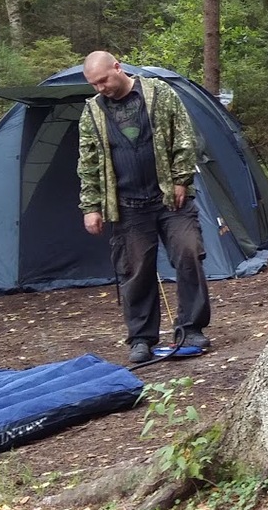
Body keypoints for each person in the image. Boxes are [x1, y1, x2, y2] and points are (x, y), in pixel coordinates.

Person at [77, 52, 210, 364]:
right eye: (94, 84)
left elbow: (185, 137)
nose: (100, 88)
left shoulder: (159, 93)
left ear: (118, 68)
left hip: (170, 199)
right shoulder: (91, 112)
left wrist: (180, 179)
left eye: (103, 80)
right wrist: (91, 206)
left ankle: (191, 328)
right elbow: (88, 163)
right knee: (135, 272)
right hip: (127, 205)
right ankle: (141, 338)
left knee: (189, 253)